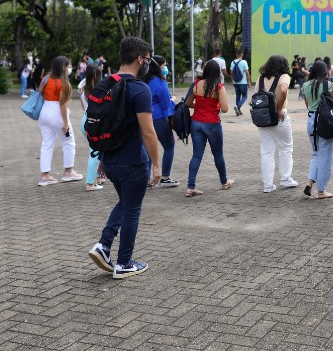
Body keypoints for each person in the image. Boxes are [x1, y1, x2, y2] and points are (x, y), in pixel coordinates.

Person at [88, 37, 162, 279]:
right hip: (132, 162)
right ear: (140, 59)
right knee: (132, 210)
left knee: (125, 204)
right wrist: (157, 165)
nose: (148, 63)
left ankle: (103, 245)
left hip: (109, 160)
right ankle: (124, 263)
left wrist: (101, 160)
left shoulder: (105, 84)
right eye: (148, 58)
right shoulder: (139, 88)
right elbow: (148, 131)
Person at [185, 60, 234, 197]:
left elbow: (188, 103)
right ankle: (224, 182)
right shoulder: (219, 87)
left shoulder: (196, 84)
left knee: (196, 155)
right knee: (218, 155)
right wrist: (214, 107)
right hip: (212, 124)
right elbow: (224, 108)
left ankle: (190, 186)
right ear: (217, 72)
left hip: (196, 123)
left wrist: (200, 106)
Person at [37, 56, 81, 186]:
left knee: (47, 143)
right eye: (69, 66)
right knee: (68, 141)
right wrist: (66, 122)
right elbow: (62, 104)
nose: (70, 68)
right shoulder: (63, 83)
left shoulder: (46, 78)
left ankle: (44, 175)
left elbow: (41, 93)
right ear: (63, 67)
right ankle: (68, 171)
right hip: (57, 113)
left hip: (44, 112)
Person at [256, 55, 297, 192]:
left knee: (267, 151)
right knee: (285, 147)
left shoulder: (261, 78)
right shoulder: (283, 76)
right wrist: (279, 108)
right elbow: (284, 89)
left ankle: (267, 185)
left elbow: (256, 96)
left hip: (263, 118)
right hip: (279, 117)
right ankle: (285, 179)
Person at [302, 60, 333, 199]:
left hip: (311, 120)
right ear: (325, 71)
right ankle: (321, 191)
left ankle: (310, 181)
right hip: (325, 122)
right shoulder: (328, 84)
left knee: (316, 153)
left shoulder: (305, 85)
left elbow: (308, 105)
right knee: (326, 157)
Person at [145, 55, 179, 188]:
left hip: (145, 118)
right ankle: (165, 176)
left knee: (148, 149)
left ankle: (146, 179)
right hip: (159, 119)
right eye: (164, 66)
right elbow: (165, 105)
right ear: (157, 67)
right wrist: (172, 100)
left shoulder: (144, 80)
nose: (166, 68)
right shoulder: (160, 82)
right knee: (169, 146)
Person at [79, 66, 105, 191]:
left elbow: (83, 107)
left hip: (85, 120)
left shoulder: (84, 91)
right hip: (95, 122)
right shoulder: (100, 91)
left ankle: (98, 176)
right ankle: (90, 182)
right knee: (95, 152)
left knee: (99, 149)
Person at [230, 49, 251, 116]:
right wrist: (249, 82)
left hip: (235, 82)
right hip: (243, 83)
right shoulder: (244, 62)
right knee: (244, 96)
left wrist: (232, 81)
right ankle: (238, 106)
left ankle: (238, 110)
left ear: (236, 54)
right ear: (242, 54)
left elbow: (231, 73)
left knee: (238, 95)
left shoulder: (232, 62)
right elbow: (247, 73)